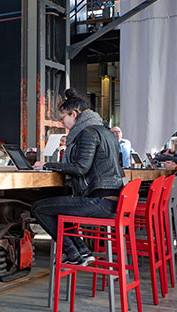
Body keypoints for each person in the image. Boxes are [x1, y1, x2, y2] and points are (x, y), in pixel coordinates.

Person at [31, 88, 125, 267]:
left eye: (63, 118)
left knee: (39, 208)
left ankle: (73, 253)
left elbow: (81, 168)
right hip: (112, 202)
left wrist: (47, 165)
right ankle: (81, 251)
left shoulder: (88, 133)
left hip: (100, 203)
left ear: (74, 114)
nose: (62, 123)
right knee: (60, 207)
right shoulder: (107, 132)